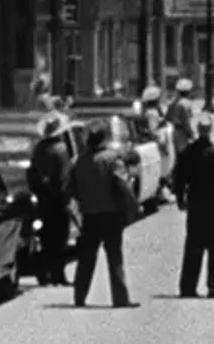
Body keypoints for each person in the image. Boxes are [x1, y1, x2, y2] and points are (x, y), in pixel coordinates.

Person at [64, 120, 140, 308]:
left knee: (86, 259)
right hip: (111, 215)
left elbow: (70, 189)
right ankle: (120, 298)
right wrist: (132, 207)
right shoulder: (112, 159)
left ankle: (79, 297)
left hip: (89, 216)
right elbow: (122, 186)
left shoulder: (79, 161)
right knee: (115, 258)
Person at [173, 114, 214, 298]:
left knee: (193, 246)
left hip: (195, 204)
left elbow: (179, 178)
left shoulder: (187, 152)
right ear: (210, 131)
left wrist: (180, 199)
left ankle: (188, 287)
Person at [28, 116, 74, 285]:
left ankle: (44, 274)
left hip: (42, 199)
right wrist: (66, 198)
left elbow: (33, 173)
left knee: (46, 239)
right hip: (58, 201)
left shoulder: (38, 149)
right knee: (60, 239)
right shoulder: (61, 149)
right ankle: (58, 275)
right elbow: (64, 177)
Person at [165, 78, 198, 156]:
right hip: (183, 134)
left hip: (175, 132)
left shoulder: (175, 103)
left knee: (178, 157)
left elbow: (168, 118)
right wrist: (192, 134)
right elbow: (187, 122)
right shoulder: (187, 104)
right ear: (189, 92)